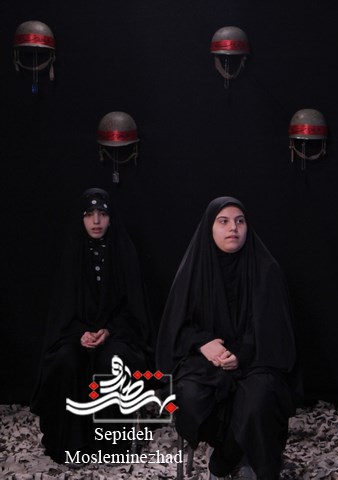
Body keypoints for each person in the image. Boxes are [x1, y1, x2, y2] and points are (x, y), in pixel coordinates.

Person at [156, 196, 299, 480]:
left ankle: (225, 461)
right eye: (223, 221)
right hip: (205, 360)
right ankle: (234, 451)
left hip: (257, 358)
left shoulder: (265, 269)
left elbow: (273, 330)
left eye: (240, 221)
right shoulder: (194, 270)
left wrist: (241, 354)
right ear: (210, 228)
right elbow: (176, 326)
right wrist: (203, 343)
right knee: (191, 396)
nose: (233, 228)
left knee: (259, 396)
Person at [31, 187, 151, 463]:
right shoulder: (72, 253)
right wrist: (81, 333)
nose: (96, 221)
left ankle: (111, 446)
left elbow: (135, 310)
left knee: (113, 360)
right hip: (75, 332)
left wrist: (109, 330)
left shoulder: (124, 252)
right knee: (66, 360)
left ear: (111, 218)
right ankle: (71, 443)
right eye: (89, 214)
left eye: (102, 214)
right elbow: (62, 310)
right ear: (81, 218)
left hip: (119, 333)